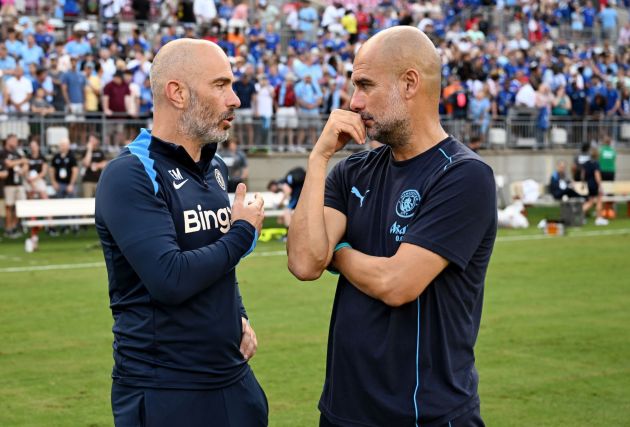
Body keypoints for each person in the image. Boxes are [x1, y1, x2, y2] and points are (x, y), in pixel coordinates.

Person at [287, 27, 496, 427]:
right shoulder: (351, 171)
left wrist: (340, 251)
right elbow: (304, 262)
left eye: (365, 85)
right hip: (342, 411)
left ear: (409, 83)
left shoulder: (464, 176)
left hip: (425, 414)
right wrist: (318, 158)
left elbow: (397, 284)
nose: (354, 102)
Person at [95, 39, 267, 427]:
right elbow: (169, 277)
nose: (235, 99)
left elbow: (213, 253)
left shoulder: (215, 167)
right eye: (221, 85)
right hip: (166, 391)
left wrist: (238, 315)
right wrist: (242, 233)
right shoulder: (130, 174)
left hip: (233, 379)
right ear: (177, 93)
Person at [2, 134, 28, 238]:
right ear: (8, 141)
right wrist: (21, 161)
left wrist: (23, 169)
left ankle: (14, 227)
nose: (16, 142)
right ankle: (8, 228)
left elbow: (26, 163)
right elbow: (8, 164)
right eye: (14, 140)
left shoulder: (18, 152)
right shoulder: (3, 152)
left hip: (19, 183)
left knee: (19, 207)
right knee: (9, 206)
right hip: (9, 183)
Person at [582, 147, 608, 226]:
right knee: (597, 201)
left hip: (588, 184)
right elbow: (597, 175)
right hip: (594, 184)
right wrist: (600, 185)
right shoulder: (596, 163)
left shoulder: (586, 163)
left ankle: (580, 216)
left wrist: (584, 183)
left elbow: (583, 174)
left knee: (590, 201)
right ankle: (598, 218)